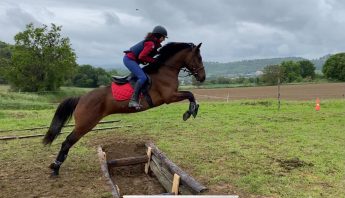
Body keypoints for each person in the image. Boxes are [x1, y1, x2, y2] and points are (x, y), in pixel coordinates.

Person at [123, 25, 168, 109]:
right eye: (163, 37)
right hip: (129, 60)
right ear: (158, 36)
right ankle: (133, 101)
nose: (164, 39)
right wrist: (154, 61)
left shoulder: (153, 44)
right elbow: (141, 57)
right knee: (143, 78)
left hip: (133, 60)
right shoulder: (150, 44)